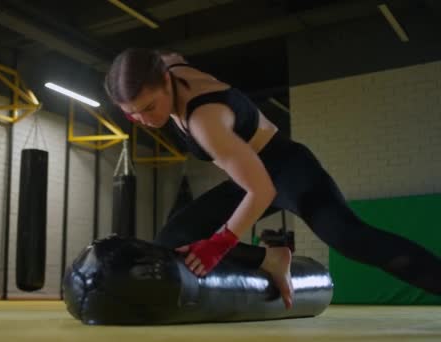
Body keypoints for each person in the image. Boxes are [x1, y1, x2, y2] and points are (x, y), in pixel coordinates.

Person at [104, 48, 441, 309]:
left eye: (149, 107)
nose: (144, 120)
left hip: (288, 170)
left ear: (166, 81)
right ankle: (272, 259)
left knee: (354, 240)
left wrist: (219, 245)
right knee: (173, 239)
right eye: (131, 112)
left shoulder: (205, 121)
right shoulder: (165, 66)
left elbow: (262, 189)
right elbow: (168, 55)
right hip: (249, 173)